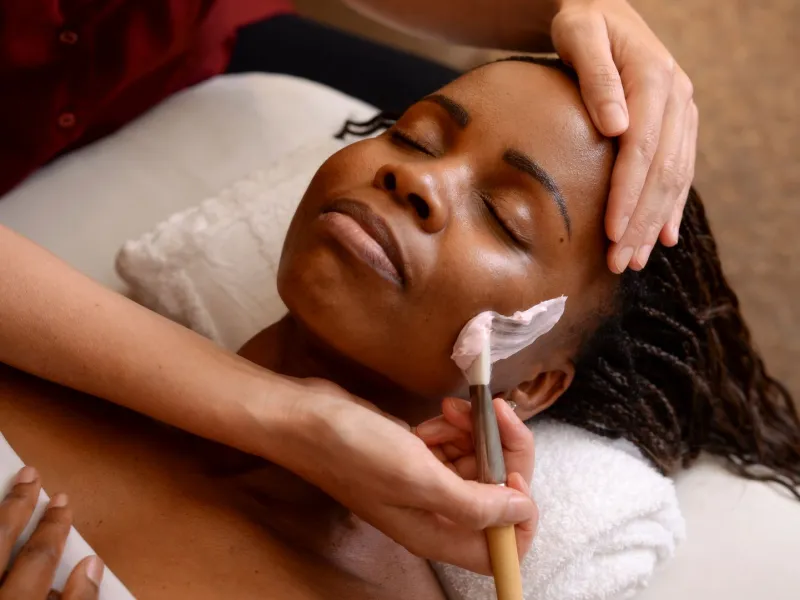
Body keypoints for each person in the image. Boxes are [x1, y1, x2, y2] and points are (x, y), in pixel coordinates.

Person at [4, 56, 795, 598]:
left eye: (505, 217)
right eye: (416, 136)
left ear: (532, 385)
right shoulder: (50, 348)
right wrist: (297, 418)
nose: (415, 177)